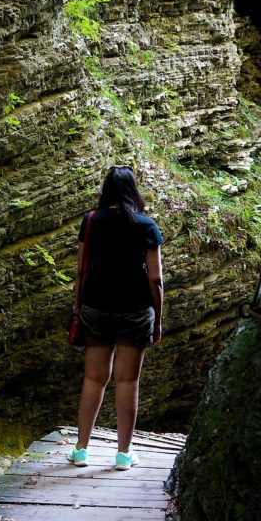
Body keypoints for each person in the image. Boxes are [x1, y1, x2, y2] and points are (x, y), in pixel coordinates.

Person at [69, 165, 163, 470]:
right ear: (133, 190)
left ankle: (81, 449)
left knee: (94, 378)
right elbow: (155, 280)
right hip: (136, 311)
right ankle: (123, 454)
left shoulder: (92, 221)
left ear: (106, 190)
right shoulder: (147, 225)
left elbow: (82, 270)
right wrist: (158, 319)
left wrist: (78, 306)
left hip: (96, 307)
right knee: (128, 380)